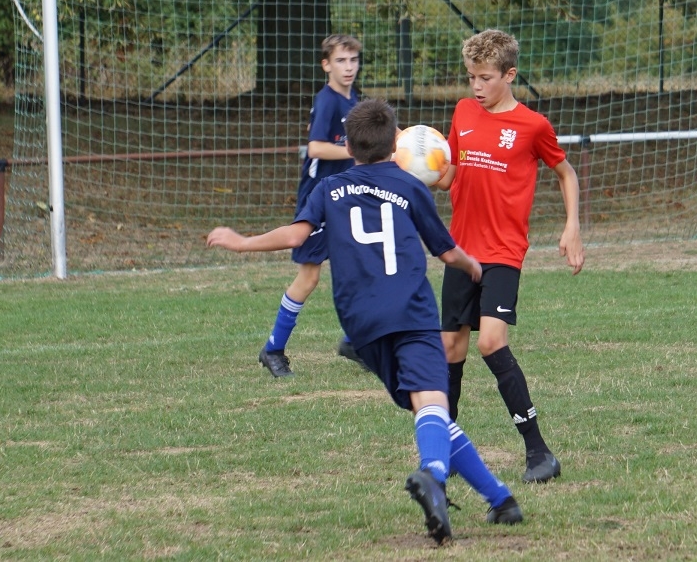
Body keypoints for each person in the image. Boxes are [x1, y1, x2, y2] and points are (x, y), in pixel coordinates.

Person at [207, 98, 523, 546]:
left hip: (360, 323)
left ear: (350, 148)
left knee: (426, 410)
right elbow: (446, 250)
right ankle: (434, 476)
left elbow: (296, 235)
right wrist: (470, 264)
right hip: (409, 311)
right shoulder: (410, 185)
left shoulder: (327, 190)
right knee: (433, 403)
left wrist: (242, 242)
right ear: (395, 145)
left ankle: (501, 500)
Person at [434, 29, 585, 484]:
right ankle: (444, 454)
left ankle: (539, 452)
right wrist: (415, 159)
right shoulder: (463, 112)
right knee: (450, 348)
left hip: (502, 250)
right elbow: (449, 176)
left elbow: (566, 172)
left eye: (485, 77)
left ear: (509, 74)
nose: (476, 86)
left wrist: (572, 226)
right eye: (471, 77)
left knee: (490, 342)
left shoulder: (532, 126)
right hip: (461, 251)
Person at [258, 34, 364, 378]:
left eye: (353, 60)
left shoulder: (353, 100)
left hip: (345, 197)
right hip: (318, 201)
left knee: (360, 269)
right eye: (341, 61)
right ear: (326, 65)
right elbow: (316, 147)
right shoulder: (328, 100)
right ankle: (273, 349)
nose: (348, 67)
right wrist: (355, 152)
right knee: (309, 277)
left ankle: (353, 342)